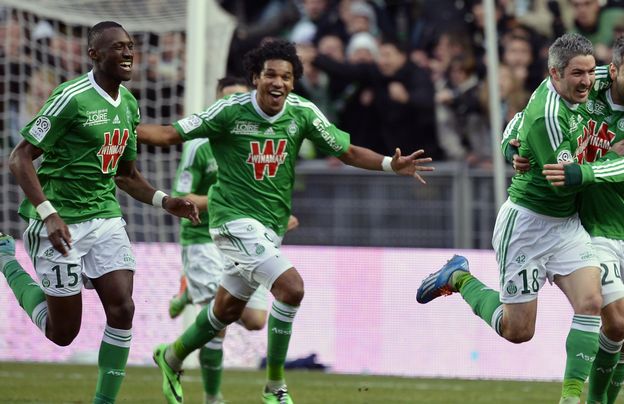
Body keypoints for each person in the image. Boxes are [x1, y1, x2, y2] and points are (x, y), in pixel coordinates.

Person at [138, 39, 433, 404]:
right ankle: (275, 386)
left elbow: (348, 151)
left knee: (227, 310)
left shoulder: (302, 113)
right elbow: (169, 134)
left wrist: (391, 164)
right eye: (271, 75)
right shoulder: (229, 111)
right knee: (291, 288)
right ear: (255, 78)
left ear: (294, 82)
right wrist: (123, 127)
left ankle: (171, 356)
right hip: (231, 221)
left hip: (270, 227)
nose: (278, 82)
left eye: (286, 76)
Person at [0, 21, 198, 404]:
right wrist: (48, 213)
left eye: (130, 46)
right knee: (63, 334)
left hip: (105, 216)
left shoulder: (129, 103)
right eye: (117, 47)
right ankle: (7, 261)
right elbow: (19, 158)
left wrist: (164, 200)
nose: (127, 53)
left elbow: (125, 175)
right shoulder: (70, 97)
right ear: (94, 54)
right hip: (58, 222)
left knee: (123, 308)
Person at [417, 33, 604, 404]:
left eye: (590, 72)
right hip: (528, 226)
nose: (586, 82)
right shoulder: (549, 116)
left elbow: (512, 127)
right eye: (577, 74)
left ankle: (571, 397)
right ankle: (459, 277)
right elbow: (566, 183)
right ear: (555, 73)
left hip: (565, 227)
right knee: (518, 331)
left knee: (592, 303)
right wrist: (617, 167)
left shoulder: (580, 84)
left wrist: (509, 149)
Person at [515, 33, 624, 403]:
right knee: (614, 321)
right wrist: (512, 143)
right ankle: (584, 398)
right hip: (592, 228)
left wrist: (583, 170)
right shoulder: (589, 86)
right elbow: (529, 111)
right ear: (613, 70)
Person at [166, 75, 299, 404]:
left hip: (248, 236)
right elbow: (181, 196)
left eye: (243, 98)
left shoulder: (254, 141)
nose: (237, 107)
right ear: (216, 101)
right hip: (203, 237)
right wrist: (227, 199)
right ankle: (214, 398)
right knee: (221, 326)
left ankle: (174, 343)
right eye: (229, 99)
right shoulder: (199, 145)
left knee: (254, 321)